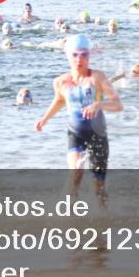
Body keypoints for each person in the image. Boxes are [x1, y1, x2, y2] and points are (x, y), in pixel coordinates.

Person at [34, 34, 123, 210]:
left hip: (98, 135)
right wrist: (44, 118)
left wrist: (99, 104)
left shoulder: (97, 77)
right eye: (75, 55)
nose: (79, 59)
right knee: (76, 170)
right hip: (76, 133)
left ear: (89, 56)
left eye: (84, 54)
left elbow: (117, 104)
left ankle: (103, 218)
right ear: (68, 56)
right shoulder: (59, 82)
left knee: (98, 188)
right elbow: (59, 101)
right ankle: (67, 214)